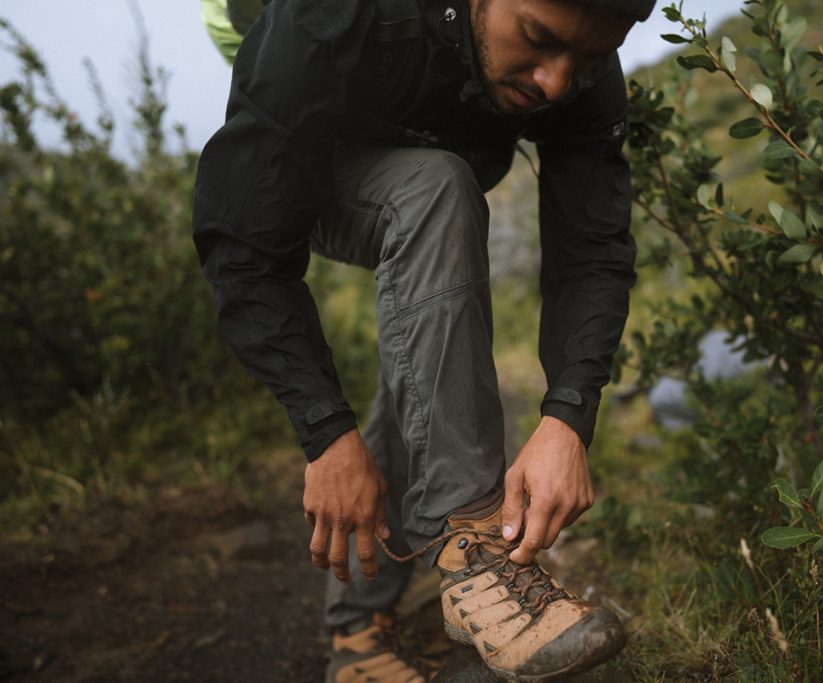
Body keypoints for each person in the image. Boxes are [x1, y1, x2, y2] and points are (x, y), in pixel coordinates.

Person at [192, 0, 655, 679]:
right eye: (537, 39)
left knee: (432, 321)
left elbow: (592, 244)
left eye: (583, 61)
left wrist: (568, 415)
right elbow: (243, 242)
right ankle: (478, 558)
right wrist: (326, 432)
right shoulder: (334, 16)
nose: (556, 82)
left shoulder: (580, 63)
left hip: (429, 166)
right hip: (313, 156)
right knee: (435, 185)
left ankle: (357, 638)